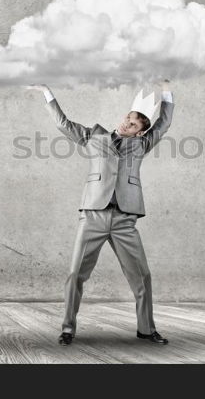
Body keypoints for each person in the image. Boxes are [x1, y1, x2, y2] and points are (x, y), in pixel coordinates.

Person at [25, 80, 174, 346]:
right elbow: (63, 124)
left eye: (133, 124)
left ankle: (146, 328)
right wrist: (47, 92)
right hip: (93, 214)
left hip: (125, 219)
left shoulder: (142, 145)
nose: (126, 123)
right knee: (75, 273)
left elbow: (163, 123)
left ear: (141, 132)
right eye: (127, 118)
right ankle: (68, 328)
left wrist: (166, 89)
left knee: (142, 276)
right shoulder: (94, 136)